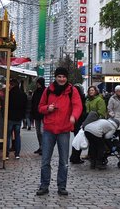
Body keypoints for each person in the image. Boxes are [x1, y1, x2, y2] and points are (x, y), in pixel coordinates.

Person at [36, 67, 83, 196]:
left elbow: (78, 105)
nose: (62, 79)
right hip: (49, 130)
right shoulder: (48, 91)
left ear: (66, 78)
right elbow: (40, 107)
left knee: (64, 161)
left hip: (64, 130)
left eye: (64, 77)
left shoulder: (72, 91)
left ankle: (62, 186)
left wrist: (74, 116)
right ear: (55, 77)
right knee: (45, 160)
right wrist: (48, 108)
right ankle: (44, 185)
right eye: (59, 77)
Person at [6, 78, 28, 159]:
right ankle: (17, 153)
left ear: (12, 85)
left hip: (10, 117)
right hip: (18, 119)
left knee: (8, 136)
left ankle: (6, 154)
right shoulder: (23, 94)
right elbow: (25, 106)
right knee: (17, 135)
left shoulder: (9, 94)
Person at [69, 84, 88, 164]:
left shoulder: (73, 97)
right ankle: (75, 157)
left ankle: (74, 157)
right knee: (79, 140)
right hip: (79, 121)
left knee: (76, 140)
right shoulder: (81, 98)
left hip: (76, 121)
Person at [31, 77, 46, 155]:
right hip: (36, 115)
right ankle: (40, 146)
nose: (38, 85)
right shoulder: (36, 92)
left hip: (43, 115)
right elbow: (33, 103)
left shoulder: (45, 91)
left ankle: (44, 147)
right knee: (38, 132)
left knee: (41, 131)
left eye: (39, 83)